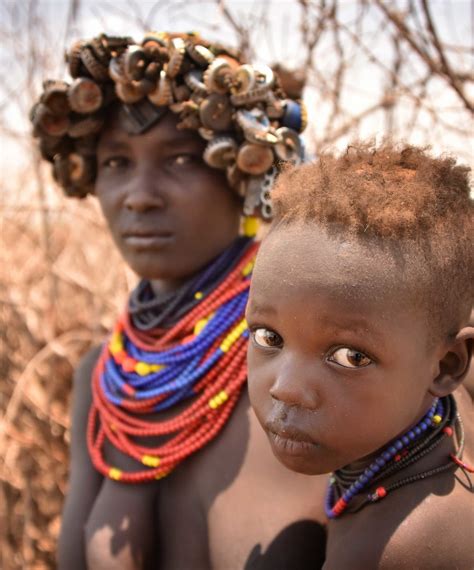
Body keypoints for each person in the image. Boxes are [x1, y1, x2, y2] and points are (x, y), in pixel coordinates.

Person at [31, 32, 328, 569]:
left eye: (183, 160)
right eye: (117, 162)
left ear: (246, 175)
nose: (140, 196)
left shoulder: (310, 361)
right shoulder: (102, 377)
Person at [246, 143, 474, 569]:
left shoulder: (399, 548)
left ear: (447, 366)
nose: (287, 388)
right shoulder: (444, 418)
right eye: (268, 336)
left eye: (350, 357)